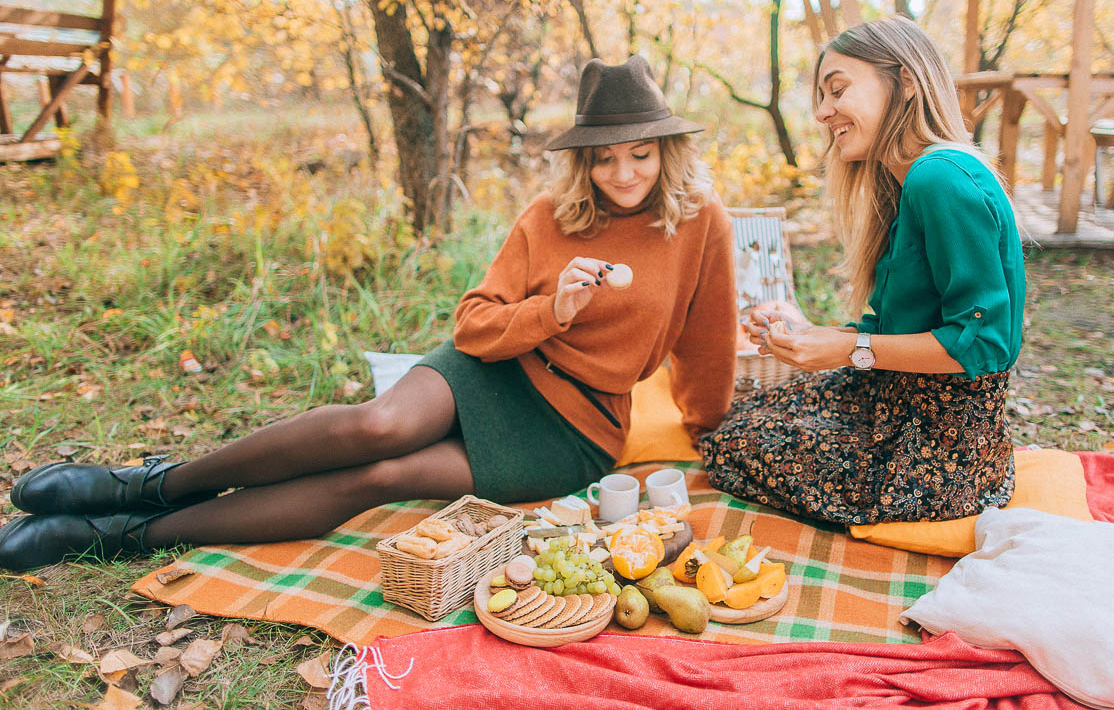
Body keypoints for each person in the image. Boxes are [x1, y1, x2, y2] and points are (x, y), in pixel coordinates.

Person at [1, 56, 737, 572]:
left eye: (641, 154)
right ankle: (150, 482)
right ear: (583, 161)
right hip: (502, 363)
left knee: (383, 475)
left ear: (666, 149)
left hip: (574, 429)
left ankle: (118, 535)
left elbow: (708, 347)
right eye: (604, 158)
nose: (624, 173)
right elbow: (473, 325)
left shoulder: (701, 223)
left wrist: (712, 436)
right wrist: (554, 310)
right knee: (373, 424)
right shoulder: (552, 214)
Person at [699, 16, 1024, 527]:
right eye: (822, 97)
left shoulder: (941, 178)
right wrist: (820, 337)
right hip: (892, 395)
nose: (823, 112)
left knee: (731, 446)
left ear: (907, 81)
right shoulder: (909, 182)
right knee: (744, 414)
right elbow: (910, 325)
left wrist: (851, 350)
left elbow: (985, 345)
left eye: (838, 90)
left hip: (939, 449)